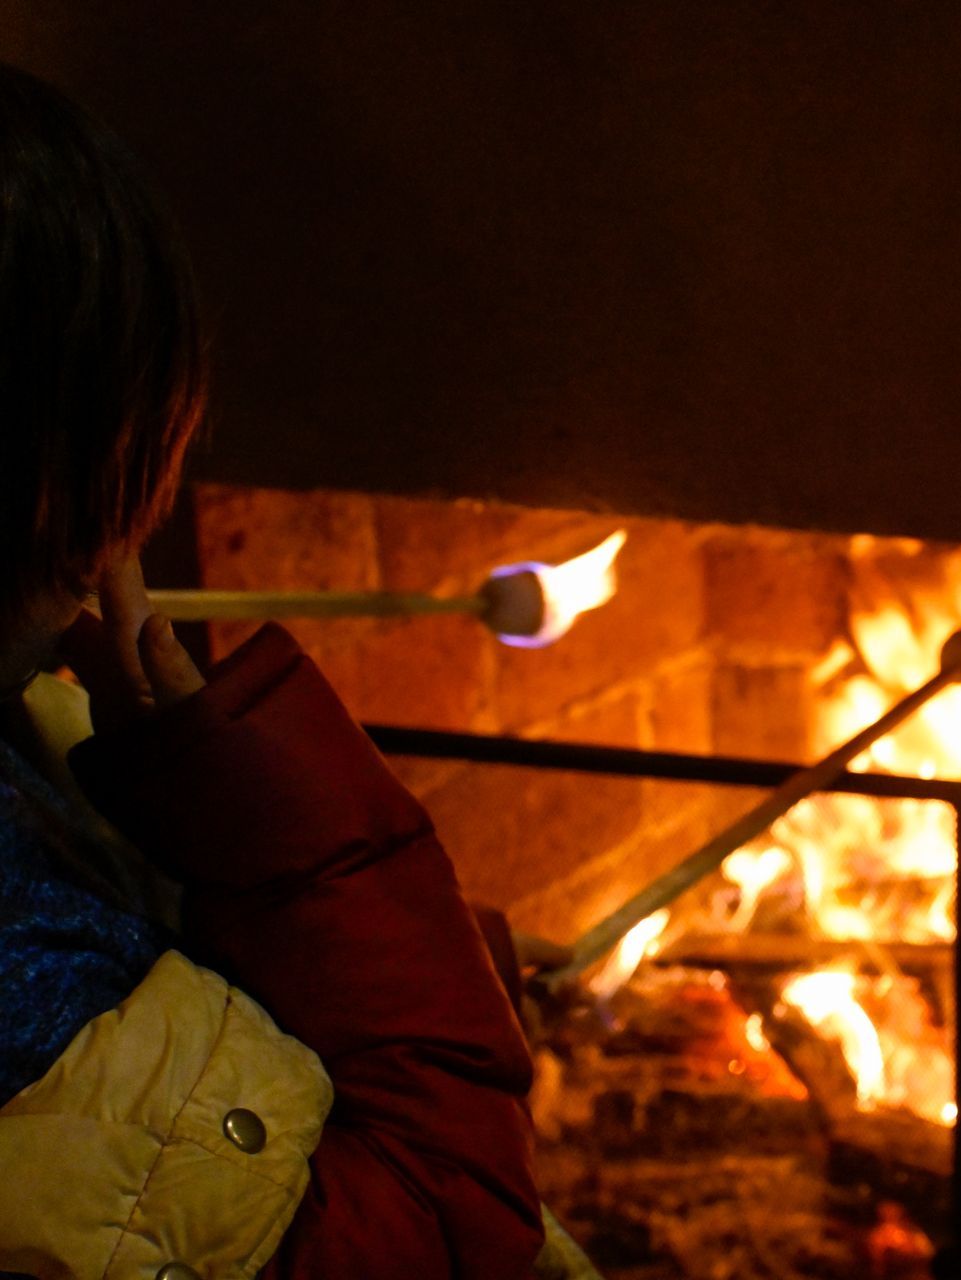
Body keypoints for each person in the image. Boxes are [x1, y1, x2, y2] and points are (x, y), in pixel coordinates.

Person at [0, 63, 559, 1275]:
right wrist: (282, 831)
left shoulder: (30, 736)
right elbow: (452, 1221)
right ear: (66, 487)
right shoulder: (29, 970)